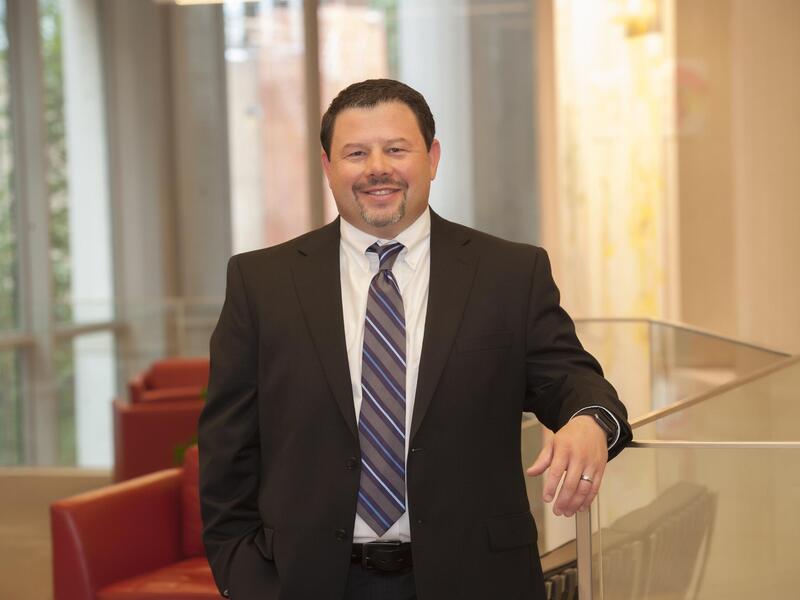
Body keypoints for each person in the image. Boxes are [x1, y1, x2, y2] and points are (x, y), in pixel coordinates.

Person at [199, 78, 632, 600]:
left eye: (396, 149)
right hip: (305, 581)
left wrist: (589, 420)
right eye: (356, 153)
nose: (377, 167)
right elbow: (227, 449)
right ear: (328, 166)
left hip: (477, 580)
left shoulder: (509, 274)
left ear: (432, 158)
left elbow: (571, 378)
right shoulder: (261, 282)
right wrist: (243, 576)